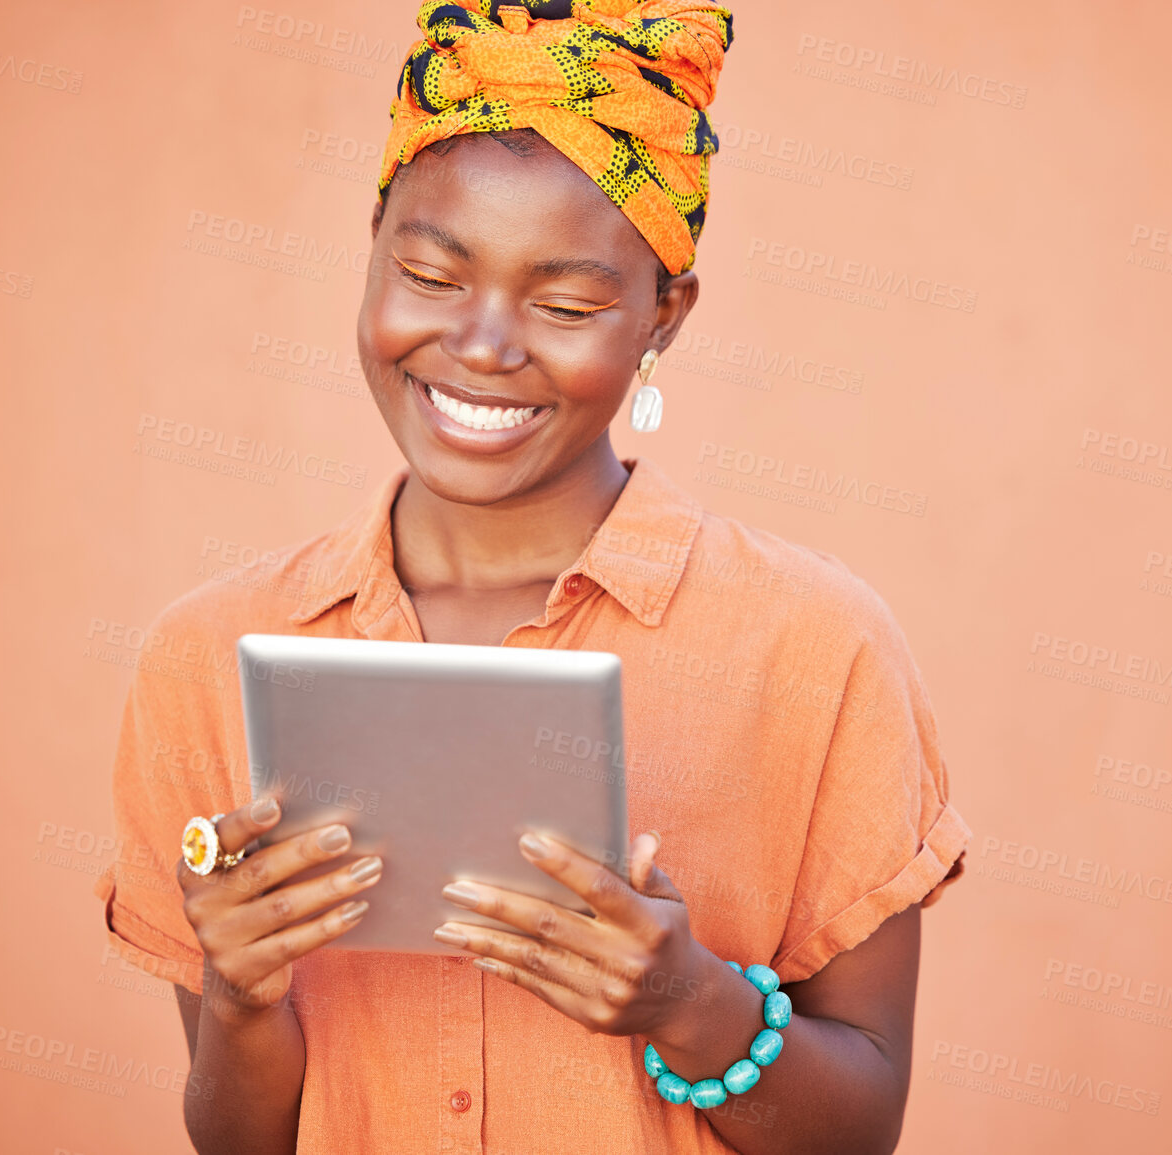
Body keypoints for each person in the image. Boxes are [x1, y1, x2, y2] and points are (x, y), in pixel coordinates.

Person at [96, 3, 970, 1152]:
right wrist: (238, 993)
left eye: (565, 305)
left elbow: (858, 1131)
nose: (486, 346)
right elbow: (237, 1141)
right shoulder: (208, 656)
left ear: (665, 316)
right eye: (429, 272)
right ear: (371, 245)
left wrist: (688, 1003)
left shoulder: (818, 649)